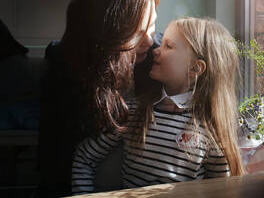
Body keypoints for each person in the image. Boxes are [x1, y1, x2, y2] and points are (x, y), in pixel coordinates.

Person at [71, 17, 245, 195]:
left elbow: (223, 191)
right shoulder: (134, 112)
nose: (155, 50)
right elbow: (85, 157)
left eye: (168, 46)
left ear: (195, 68)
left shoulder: (211, 128)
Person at [38, 0, 159, 197]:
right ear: (105, 33)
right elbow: (54, 159)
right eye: (136, 31)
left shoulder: (158, 56)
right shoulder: (65, 65)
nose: (149, 40)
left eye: (152, 25)